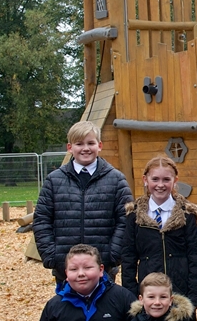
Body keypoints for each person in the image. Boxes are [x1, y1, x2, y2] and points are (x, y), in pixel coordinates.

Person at [34, 120, 133, 283]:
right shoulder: (54, 180)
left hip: (103, 268)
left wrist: (112, 256)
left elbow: (125, 221)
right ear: (70, 148)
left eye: (90, 143)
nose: (85, 148)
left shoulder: (116, 180)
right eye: (79, 144)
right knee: (68, 308)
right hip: (65, 268)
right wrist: (53, 257)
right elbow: (42, 221)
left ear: (99, 145)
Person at [122, 156, 197, 315]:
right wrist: (131, 293)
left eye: (166, 179)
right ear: (145, 180)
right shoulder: (135, 215)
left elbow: (195, 256)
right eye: (155, 179)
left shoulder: (186, 215)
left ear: (175, 180)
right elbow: (128, 256)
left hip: (179, 291)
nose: (160, 185)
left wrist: (194, 297)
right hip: (149, 292)